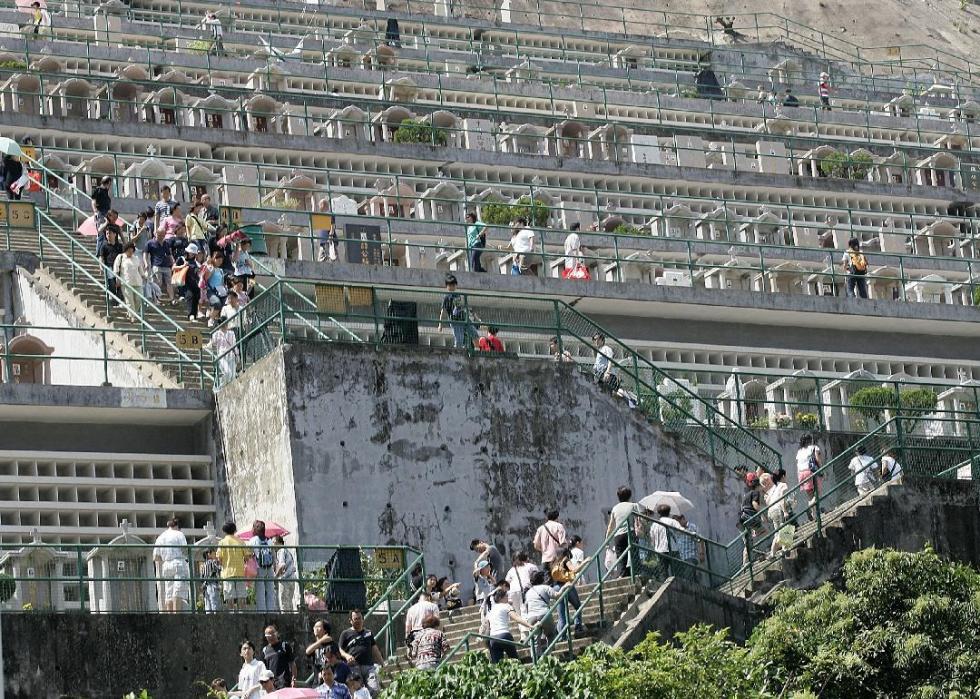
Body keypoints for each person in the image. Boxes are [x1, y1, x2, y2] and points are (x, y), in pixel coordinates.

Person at [338, 610, 384, 696]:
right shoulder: (345, 634)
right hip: (354, 667)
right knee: (358, 692)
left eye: (360, 618)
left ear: (363, 619)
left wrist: (382, 663)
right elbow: (340, 650)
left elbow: (375, 649)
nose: (358, 621)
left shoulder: (368, 633)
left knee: (375, 689)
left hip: (369, 666)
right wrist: (347, 656)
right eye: (355, 619)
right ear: (350, 621)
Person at [152, 517, 189, 613]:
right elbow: (185, 550)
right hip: (178, 563)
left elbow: (156, 557)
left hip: (166, 564)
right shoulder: (179, 534)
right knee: (178, 592)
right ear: (177, 526)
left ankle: (170, 617)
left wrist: (165, 558)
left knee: (169, 592)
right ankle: (177, 616)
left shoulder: (160, 537)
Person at [485, 587, 532, 663]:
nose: (508, 598)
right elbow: (517, 618)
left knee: (497, 665)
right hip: (504, 635)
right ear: (501, 598)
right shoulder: (506, 606)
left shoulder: (491, 610)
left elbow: (488, 626)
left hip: (493, 638)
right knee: (514, 660)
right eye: (506, 596)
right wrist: (530, 626)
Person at [605, 485, 640, 577]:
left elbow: (610, 526)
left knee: (621, 557)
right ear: (630, 495)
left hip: (618, 535)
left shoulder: (615, 508)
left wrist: (607, 540)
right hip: (631, 532)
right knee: (634, 554)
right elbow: (639, 520)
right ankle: (635, 573)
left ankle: (622, 575)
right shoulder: (634, 505)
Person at [437, 274, 480, 349]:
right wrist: (440, 325)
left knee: (475, 334)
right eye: (450, 285)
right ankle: (457, 354)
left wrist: (471, 314)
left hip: (464, 318)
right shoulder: (446, 297)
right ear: (447, 286)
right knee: (459, 340)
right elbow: (443, 311)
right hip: (455, 321)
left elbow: (461, 307)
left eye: (453, 285)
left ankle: (477, 351)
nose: (452, 287)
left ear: (456, 285)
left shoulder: (458, 295)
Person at [521, 570, 558, 651]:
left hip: (531, 616)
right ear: (542, 579)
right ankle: (550, 654)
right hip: (544, 613)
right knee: (551, 634)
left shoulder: (528, 592)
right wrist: (565, 587)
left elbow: (526, 606)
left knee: (534, 640)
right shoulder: (546, 587)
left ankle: (536, 659)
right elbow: (557, 596)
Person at [216, 521, 248, 611]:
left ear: (224, 531)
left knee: (229, 596)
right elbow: (247, 556)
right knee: (241, 595)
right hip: (240, 571)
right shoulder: (240, 541)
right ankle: (242, 613)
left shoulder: (222, 542)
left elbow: (219, 558)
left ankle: (231, 613)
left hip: (227, 572)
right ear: (234, 530)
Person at [249, 521, 278, 612]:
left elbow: (249, 554)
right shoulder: (269, 540)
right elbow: (273, 554)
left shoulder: (253, 540)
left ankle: (261, 611)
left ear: (255, 529)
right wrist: (274, 566)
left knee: (260, 590)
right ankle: (271, 611)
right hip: (269, 568)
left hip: (259, 568)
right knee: (270, 590)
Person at [532, 508, 567, 580]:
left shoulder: (540, 528)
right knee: (560, 579)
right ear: (557, 517)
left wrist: (544, 550)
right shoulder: (559, 526)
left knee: (548, 581)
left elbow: (536, 545)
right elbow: (562, 543)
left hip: (545, 559)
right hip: (557, 558)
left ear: (547, 517)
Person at [144, 227, 175, 304]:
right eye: (159, 235)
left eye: (162, 235)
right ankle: (157, 299)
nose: (161, 237)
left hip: (166, 265)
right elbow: (145, 254)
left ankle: (172, 299)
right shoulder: (150, 243)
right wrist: (146, 263)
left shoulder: (166, 243)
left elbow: (169, 254)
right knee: (158, 283)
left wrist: (173, 263)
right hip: (156, 265)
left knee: (169, 283)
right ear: (156, 234)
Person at [796, 433, 822, 522]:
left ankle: (814, 515)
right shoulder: (814, 448)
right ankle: (811, 506)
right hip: (811, 472)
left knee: (810, 496)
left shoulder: (799, 451)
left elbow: (798, 464)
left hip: (801, 474)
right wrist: (821, 470)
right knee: (818, 492)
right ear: (810, 440)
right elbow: (818, 460)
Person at [738, 472, 764, 563]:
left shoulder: (746, 495)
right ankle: (759, 551)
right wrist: (762, 513)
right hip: (748, 517)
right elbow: (754, 504)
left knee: (748, 543)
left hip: (741, 520)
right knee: (764, 531)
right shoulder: (755, 492)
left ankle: (745, 564)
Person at [262, 625, 297, 690]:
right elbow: (265, 668)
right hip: (271, 683)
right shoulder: (265, 650)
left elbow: (292, 663)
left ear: (276, 633)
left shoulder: (284, 646)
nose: (271, 637)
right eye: (268, 635)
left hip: (284, 682)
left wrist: (293, 679)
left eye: (272, 634)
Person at [766, 468, 792, 556]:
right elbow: (782, 497)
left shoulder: (775, 487)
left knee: (778, 532)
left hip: (771, 510)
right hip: (778, 509)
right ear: (783, 476)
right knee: (786, 527)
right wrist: (785, 511)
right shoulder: (783, 485)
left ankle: (772, 554)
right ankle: (785, 549)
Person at [200, 250, 229, 328]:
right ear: (214, 259)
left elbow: (222, 282)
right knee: (217, 303)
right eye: (218, 260)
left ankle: (220, 320)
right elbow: (206, 278)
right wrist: (211, 269)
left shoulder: (221, 270)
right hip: (210, 291)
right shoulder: (210, 268)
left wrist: (225, 289)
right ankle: (211, 319)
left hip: (220, 291)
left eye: (221, 260)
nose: (219, 262)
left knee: (226, 304)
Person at [98, 226, 124, 306]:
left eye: (110, 233)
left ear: (115, 234)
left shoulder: (120, 246)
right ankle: (113, 300)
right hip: (109, 267)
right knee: (112, 284)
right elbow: (101, 257)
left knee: (120, 286)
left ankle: (119, 301)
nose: (108, 235)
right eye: (107, 233)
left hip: (119, 268)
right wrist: (101, 266)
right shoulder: (104, 246)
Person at [274, 536, 298, 612]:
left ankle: (285, 620)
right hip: (292, 579)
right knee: (289, 602)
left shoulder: (281, 551)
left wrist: (275, 576)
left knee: (283, 602)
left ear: (279, 543)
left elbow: (282, 565)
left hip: (285, 580)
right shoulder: (288, 551)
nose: (273, 545)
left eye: (274, 542)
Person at [201, 548, 221, 613]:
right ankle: (215, 621)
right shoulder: (213, 562)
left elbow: (201, 577)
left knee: (208, 606)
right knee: (215, 604)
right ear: (208, 554)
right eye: (213, 553)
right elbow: (219, 568)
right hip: (212, 584)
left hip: (205, 586)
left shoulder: (203, 565)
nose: (215, 554)